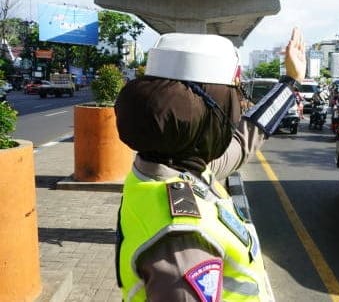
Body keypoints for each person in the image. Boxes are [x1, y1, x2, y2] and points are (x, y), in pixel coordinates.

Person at [114, 28, 305, 301]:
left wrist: (289, 83)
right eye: (231, 101)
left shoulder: (168, 169)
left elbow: (242, 141)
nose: (237, 109)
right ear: (202, 114)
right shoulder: (182, 234)